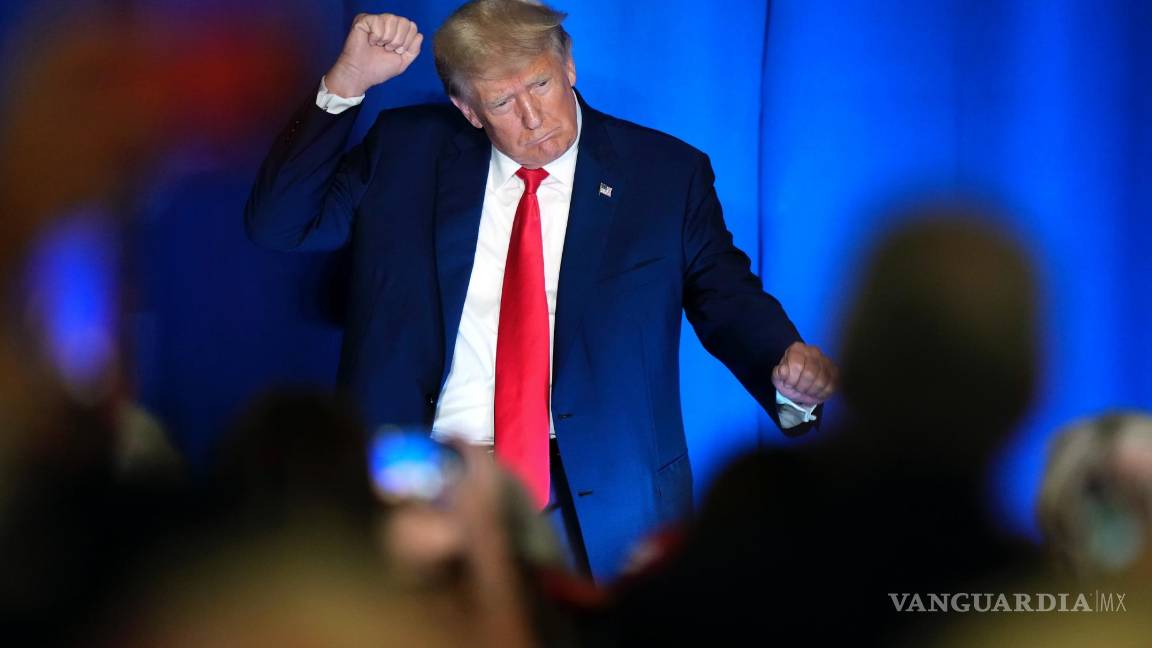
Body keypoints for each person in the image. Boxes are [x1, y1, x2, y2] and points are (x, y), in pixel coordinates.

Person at [245, 0, 837, 580]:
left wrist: (784, 364)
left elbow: (724, 294)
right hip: (421, 487)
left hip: (600, 496)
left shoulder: (663, 174)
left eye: (542, 84)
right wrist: (346, 83)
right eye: (502, 102)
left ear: (568, 65)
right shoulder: (407, 150)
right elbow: (279, 225)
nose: (533, 117)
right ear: (467, 109)